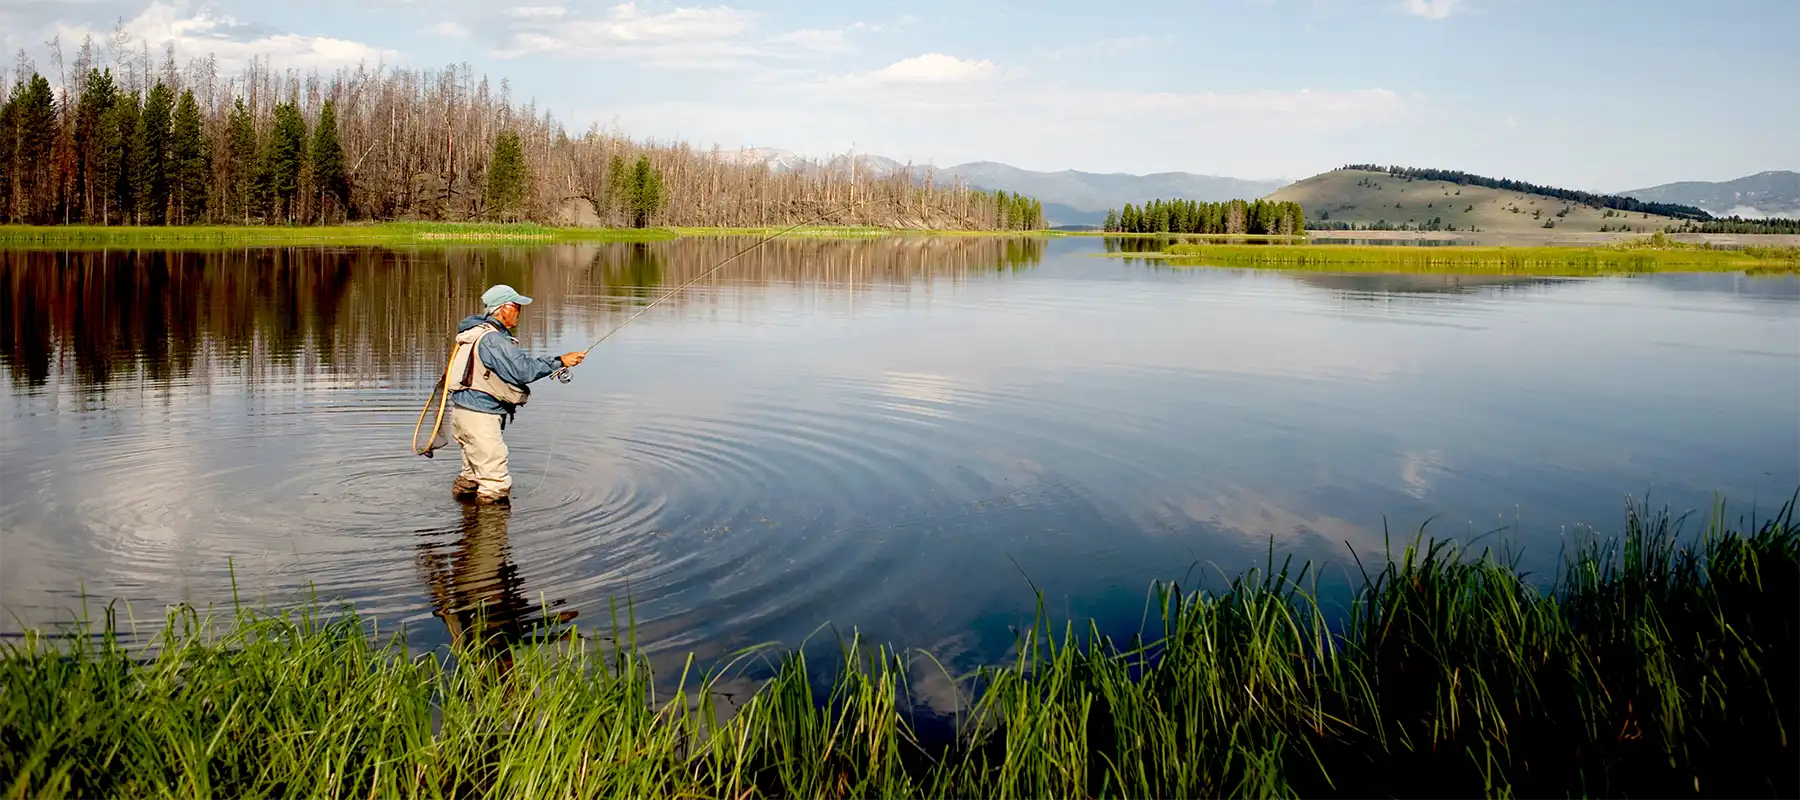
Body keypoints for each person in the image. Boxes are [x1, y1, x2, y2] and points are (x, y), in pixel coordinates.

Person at [448, 284, 586, 504]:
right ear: (503, 308)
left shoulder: (473, 334)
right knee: (495, 486)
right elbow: (523, 370)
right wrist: (560, 361)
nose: (519, 313)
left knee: (471, 478)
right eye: (517, 307)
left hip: (462, 414)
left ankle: (467, 530)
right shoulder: (492, 339)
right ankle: (489, 536)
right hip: (480, 417)